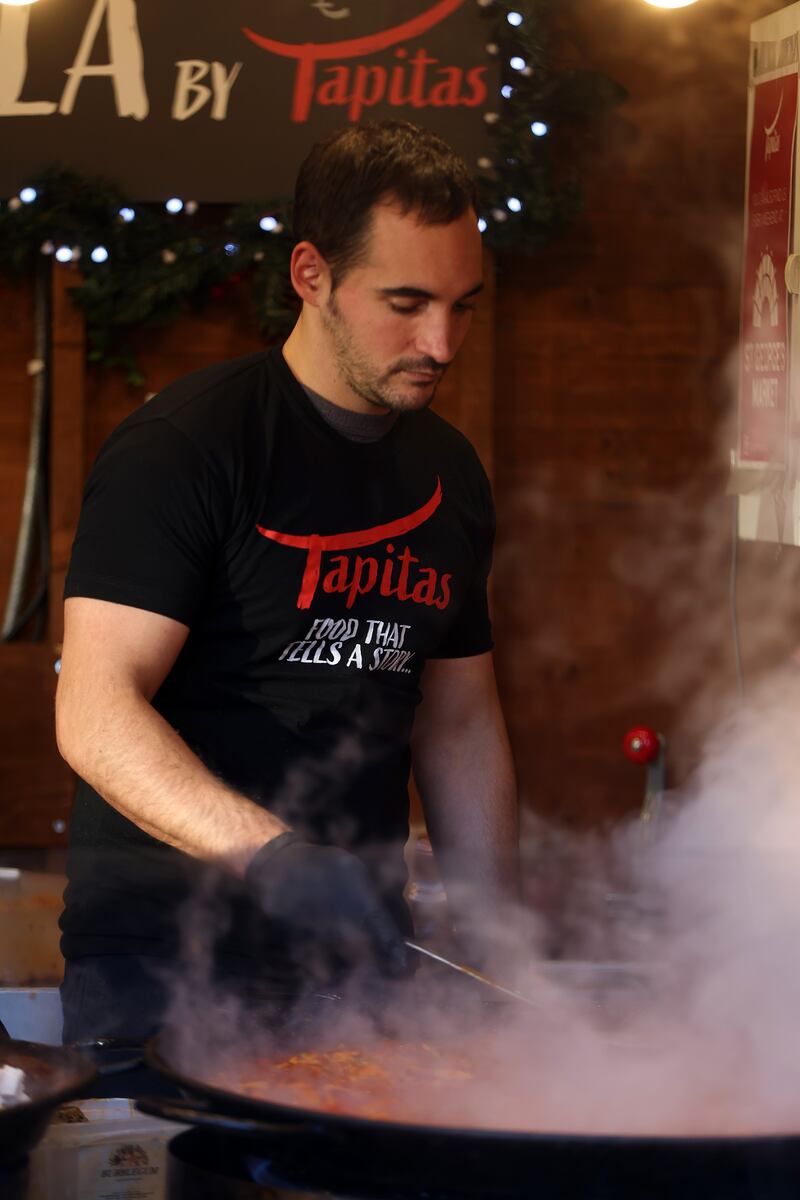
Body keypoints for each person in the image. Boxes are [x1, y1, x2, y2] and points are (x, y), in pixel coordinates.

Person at [55, 120, 519, 1043]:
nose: (442, 340)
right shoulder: (186, 447)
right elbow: (96, 710)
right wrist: (273, 858)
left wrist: (495, 939)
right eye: (407, 300)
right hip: (162, 965)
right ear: (312, 275)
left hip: (363, 971)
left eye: (464, 304)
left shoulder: (449, 472)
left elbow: (460, 720)